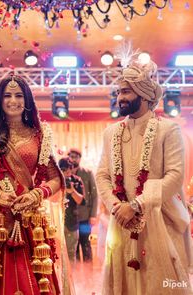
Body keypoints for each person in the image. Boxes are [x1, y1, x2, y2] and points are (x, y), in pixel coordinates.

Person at [0, 74, 65, 295]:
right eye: (7, 95)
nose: (13, 101)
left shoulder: (39, 136)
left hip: (27, 219)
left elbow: (55, 179)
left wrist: (36, 195)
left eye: (19, 95)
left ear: (27, 100)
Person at [96, 60, 192, 294]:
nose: (120, 97)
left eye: (126, 91)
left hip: (160, 222)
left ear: (145, 94)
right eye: (119, 92)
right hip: (122, 224)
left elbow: (175, 175)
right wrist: (117, 207)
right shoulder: (111, 133)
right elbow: (102, 174)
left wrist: (137, 205)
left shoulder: (167, 130)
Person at [68, 148, 98, 262]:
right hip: (70, 217)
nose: (73, 159)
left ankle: (88, 274)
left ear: (80, 158)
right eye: (71, 156)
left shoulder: (87, 173)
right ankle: (75, 276)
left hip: (85, 216)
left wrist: (93, 215)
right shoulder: (65, 173)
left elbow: (94, 195)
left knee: (85, 242)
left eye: (76, 157)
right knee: (73, 246)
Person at [58, 157, 85, 262]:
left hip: (72, 222)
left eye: (70, 168)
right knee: (57, 252)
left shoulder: (77, 181)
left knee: (71, 252)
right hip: (57, 221)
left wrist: (72, 191)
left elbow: (81, 201)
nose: (68, 172)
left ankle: (71, 277)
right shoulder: (57, 180)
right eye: (64, 169)